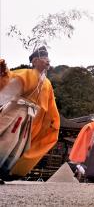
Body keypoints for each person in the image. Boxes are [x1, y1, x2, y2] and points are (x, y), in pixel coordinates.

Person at [0, 47, 60, 184]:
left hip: (30, 118)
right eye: (44, 58)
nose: (48, 61)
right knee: (6, 140)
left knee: (18, 145)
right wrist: (3, 73)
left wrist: (53, 121)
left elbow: (51, 106)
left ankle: (4, 171)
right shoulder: (26, 74)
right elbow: (7, 89)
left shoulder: (47, 83)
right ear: (34, 61)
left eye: (48, 58)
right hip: (15, 111)